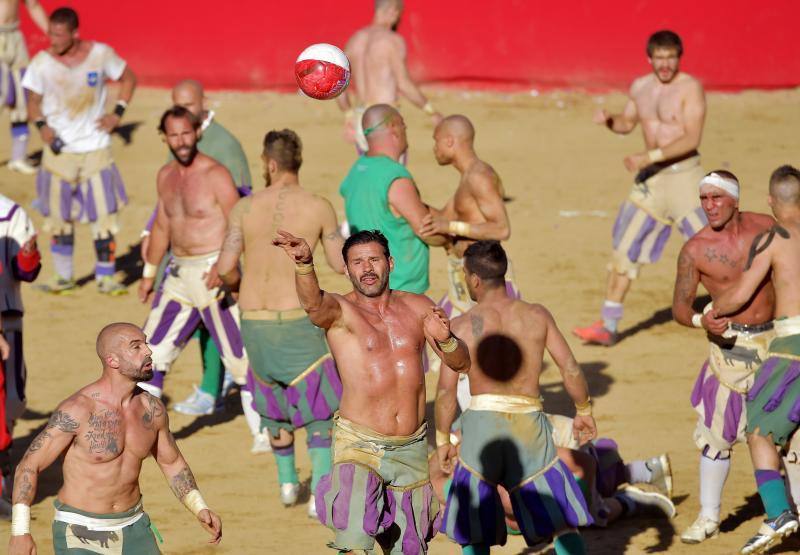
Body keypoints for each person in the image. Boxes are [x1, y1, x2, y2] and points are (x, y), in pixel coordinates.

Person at [273, 228, 470, 554]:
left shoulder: (419, 307)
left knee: (409, 548)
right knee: (353, 543)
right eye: (357, 262)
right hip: (359, 446)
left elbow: (461, 364)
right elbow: (313, 306)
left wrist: (447, 339)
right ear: (347, 269)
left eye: (374, 260)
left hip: (411, 448)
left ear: (390, 263)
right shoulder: (340, 311)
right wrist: (305, 265)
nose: (366, 268)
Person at [434, 240, 594, 554]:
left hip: (481, 428)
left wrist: (442, 441)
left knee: (475, 527)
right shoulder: (537, 315)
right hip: (530, 426)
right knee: (561, 522)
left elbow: (445, 393)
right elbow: (570, 368)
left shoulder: (461, 326)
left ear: (475, 279)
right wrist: (583, 409)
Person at [217, 128, 345, 516]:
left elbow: (225, 268)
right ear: (296, 162)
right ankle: (320, 493)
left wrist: (240, 287)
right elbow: (340, 264)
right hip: (298, 321)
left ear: (269, 164)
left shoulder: (244, 208)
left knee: (273, 404)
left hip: (254, 322)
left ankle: (288, 484)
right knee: (320, 410)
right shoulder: (319, 206)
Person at [7, 322, 222, 554]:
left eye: (146, 343)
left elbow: (171, 463)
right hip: (80, 533)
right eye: (136, 347)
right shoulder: (78, 410)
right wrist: (21, 531)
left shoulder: (152, 409)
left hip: (135, 527)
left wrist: (199, 507)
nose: (148, 351)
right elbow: (29, 465)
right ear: (113, 361)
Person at [573, 30, 707, 346]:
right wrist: (609, 121)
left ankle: (745, 313)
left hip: (684, 179)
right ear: (649, 58)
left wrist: (649, 156)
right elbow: (628, 122)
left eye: (670, 57)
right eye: (658, 58)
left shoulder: (690, 88)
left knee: (712, 249)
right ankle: (608, 325)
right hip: (652, 181)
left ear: (679, 57)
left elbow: (691, 138)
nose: (664, 64)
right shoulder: (641, 87)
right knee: (623, 249)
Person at [671, 170, 778, 544]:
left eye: (716, 198)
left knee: (785, 432)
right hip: (728, 351)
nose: (709, 206)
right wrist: (703, 320)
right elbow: (680, 308)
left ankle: (785, 512)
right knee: (716, 436)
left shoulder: (766, 227)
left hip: (776, 342)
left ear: (735, 200)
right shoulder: (695, 249)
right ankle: (709, 516)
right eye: (703, 199)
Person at [138, 106, 256, 440]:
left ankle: (266, 440)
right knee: (152, 353)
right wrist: (149, 273)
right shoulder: (165, 176)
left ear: (197, 133)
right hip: (178, 273)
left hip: (213, 270)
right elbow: (163, 225)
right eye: (174, 135)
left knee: (240, 359)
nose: (181, 141)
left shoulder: (216, 174)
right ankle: (146, 435)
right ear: (165, 138)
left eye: (186, 133)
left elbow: (239, 222)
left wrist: (226, 264)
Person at [713, 165, 800, 554]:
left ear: (770, 201)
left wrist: (713, 311)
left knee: (759, 430)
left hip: (791, 347)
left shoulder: (776, 239)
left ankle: (778, 512)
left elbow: (739, 295)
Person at [22, 6, 136, 295]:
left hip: (96, 149)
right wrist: (42, 127)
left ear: (75, 33)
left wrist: (117, 114)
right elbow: (32, 100)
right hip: (59, 154)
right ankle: (64, 277)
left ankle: (106, 278)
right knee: (59, 219)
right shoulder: (42, 63)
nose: (52, 40)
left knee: (104, 217)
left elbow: (128, 77)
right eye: (50, 33)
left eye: (59, 35)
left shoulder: (101, 55)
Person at [420, 114, 520, 383]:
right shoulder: (467, 178)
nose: (434, 149)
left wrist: (453, 225)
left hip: (484, 278)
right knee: (451, 350)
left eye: (437, 142)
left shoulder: (479, 176)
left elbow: (501, 228)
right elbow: (441, 225)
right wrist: (405, 203)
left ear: (450, 141)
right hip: (465, 279)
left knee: (475, 356)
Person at [339, 104, 446, 295]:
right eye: (404, 125)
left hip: (368, 287)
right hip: (401, 290)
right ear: (394, 128)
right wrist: (457, 237)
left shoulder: (356, 170)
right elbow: (428, 232)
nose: (406, 131)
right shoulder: (394, 176)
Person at [338, 0, 442, 155]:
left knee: (370, 172)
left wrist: (348, 115)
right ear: (393, 12)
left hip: (362, 118)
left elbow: (338, 83)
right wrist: (430, 110)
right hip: (385, 117)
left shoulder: (355, 40)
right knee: (393, 175)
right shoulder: (392, 40)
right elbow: (403, 83)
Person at [0, 192, 40, 509]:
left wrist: (27, 257)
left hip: (7, 318)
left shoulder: (11, 212)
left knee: (11, 400)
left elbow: (25, 272)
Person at [0, 0, 47, 174]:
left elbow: (33, 5)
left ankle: (18, 157)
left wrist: (51, 33)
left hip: (15, 37)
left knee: (22, 99)